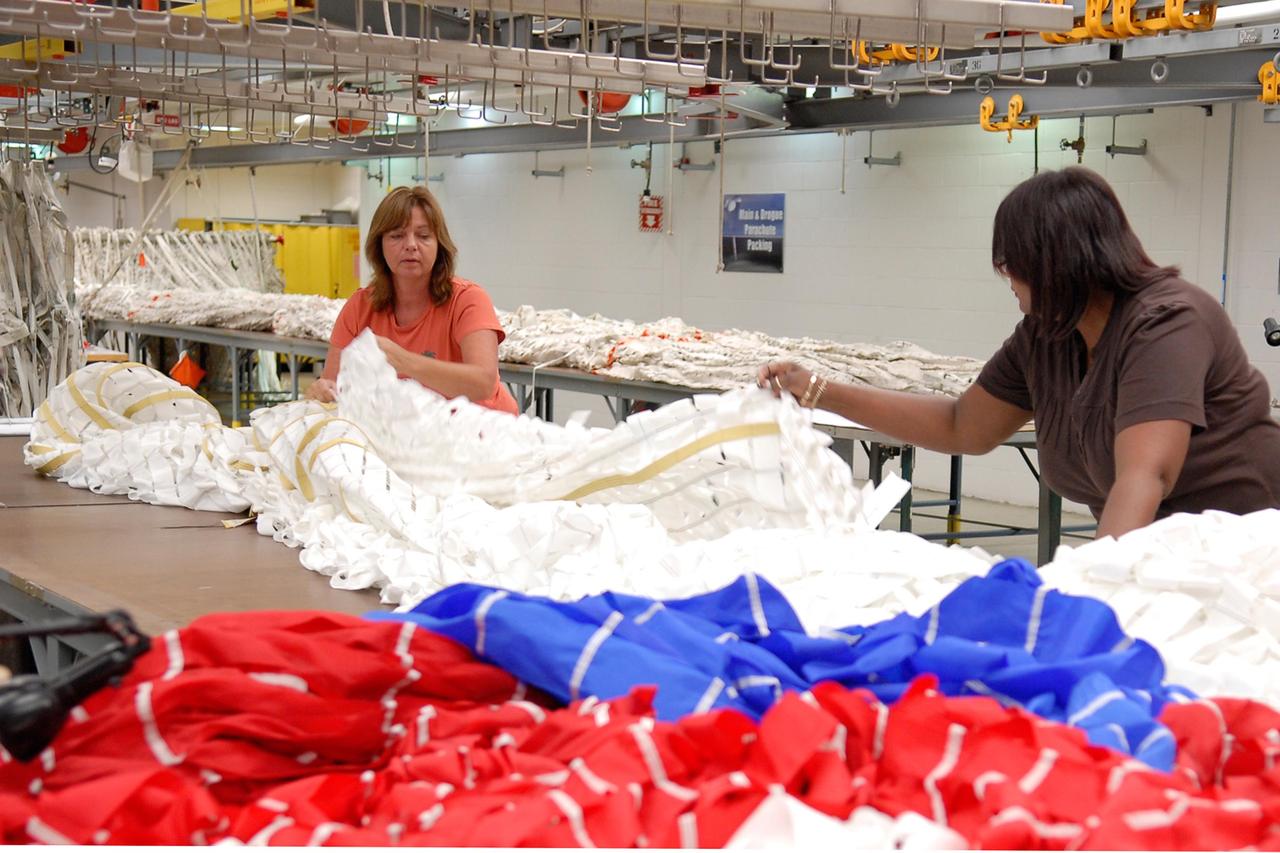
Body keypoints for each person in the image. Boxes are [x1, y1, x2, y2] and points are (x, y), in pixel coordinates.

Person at [759, 167, 1280, 539]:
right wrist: (819, 391)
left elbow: (1146, 475)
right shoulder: (1046, 334)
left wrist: (1093, 596)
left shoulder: (1167, 322)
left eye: (1011, 262)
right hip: (1159, 548)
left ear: (1055, 263)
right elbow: (964, 425)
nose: (1005, 276)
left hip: (1243, 549)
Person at [308, 186, 519, 415]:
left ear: (440, 245)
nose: (410, 245)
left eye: (423, 235)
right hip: (409, 436)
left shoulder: (468, 300)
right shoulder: (360, 308)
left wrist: (404, 361)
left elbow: (483, 383)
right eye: (397, 235)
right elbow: (333, 386)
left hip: (483, 434)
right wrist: (321, 391)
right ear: (379, 246)